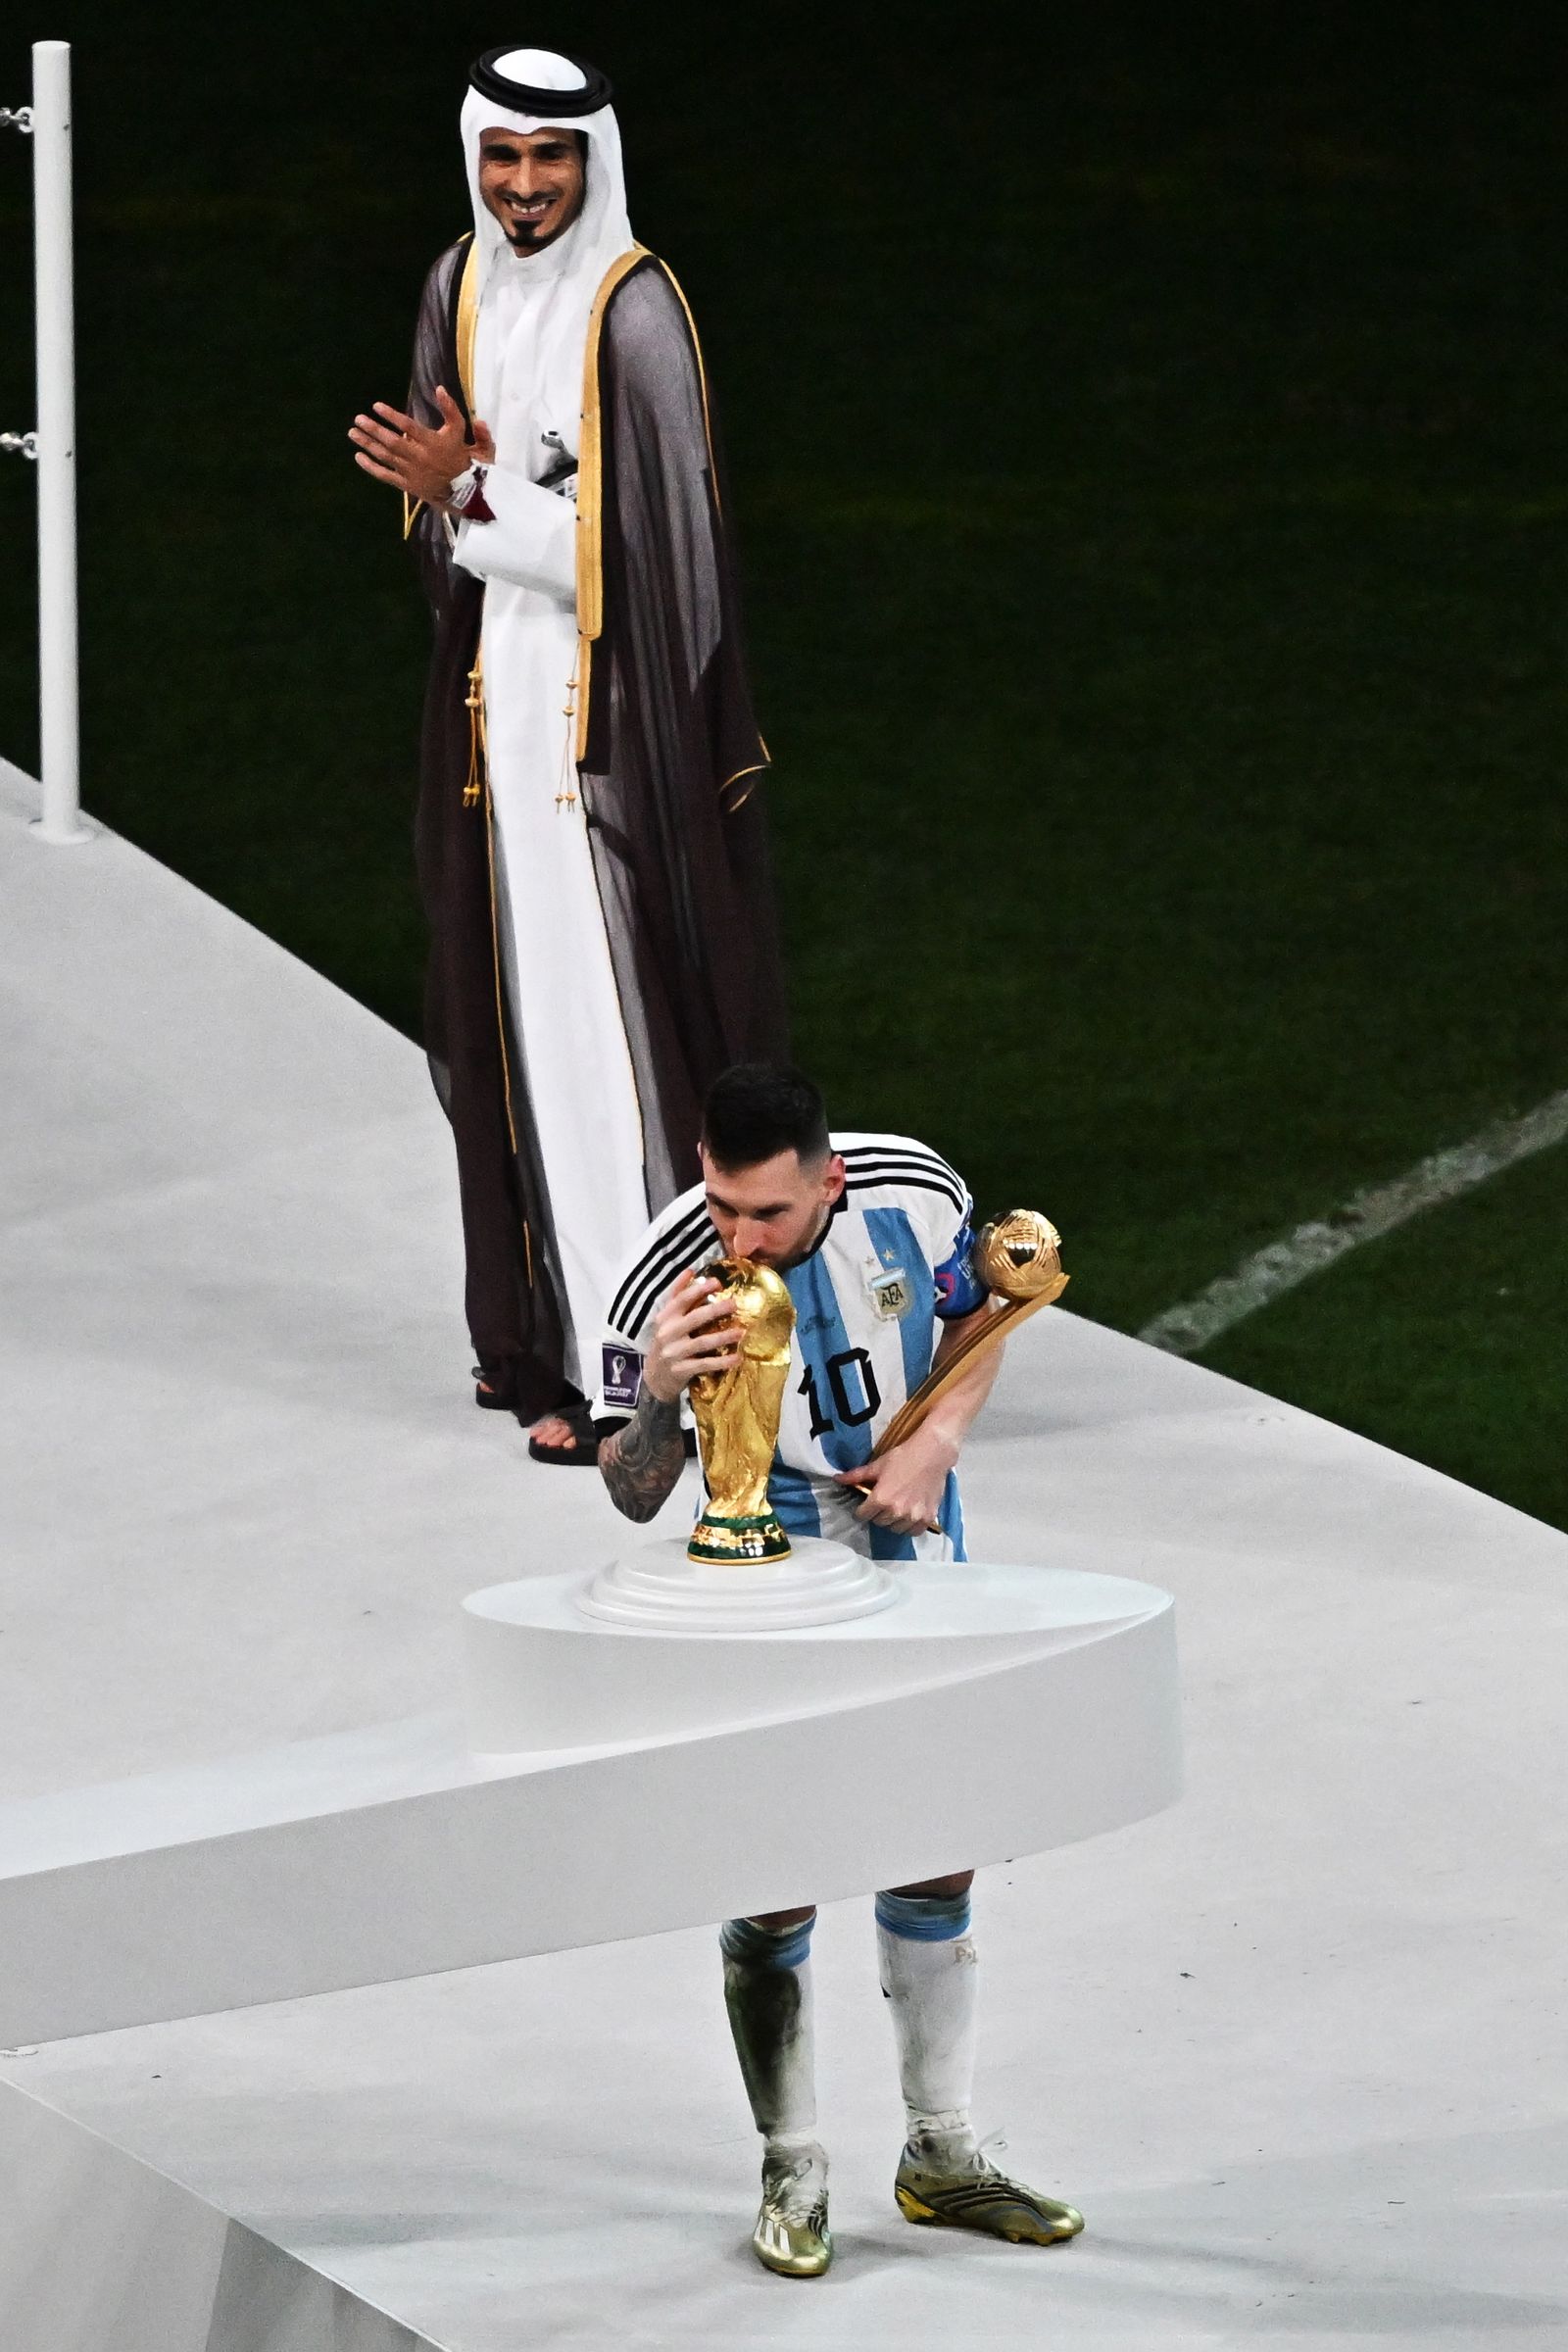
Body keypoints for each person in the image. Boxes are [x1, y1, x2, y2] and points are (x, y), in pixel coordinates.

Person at [349, 47, 784, 1462]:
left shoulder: (636, 310)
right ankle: (540, 1336)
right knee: (514, 1029)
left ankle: (645, 1366)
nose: (525, 185)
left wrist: (475, 494)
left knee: (616, 1045)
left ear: (592, 163)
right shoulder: (456, 286)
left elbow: (667, 561)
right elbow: (440, 517)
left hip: (614, 743)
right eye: (503, 156)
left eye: (551, 157)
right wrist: (456, 496)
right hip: (492, 720)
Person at [595, 1062, 1084, 2277]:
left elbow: (984, 1315)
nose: (739, 1236)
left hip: (919, 1553)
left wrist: (939, 1442)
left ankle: (940, 2154)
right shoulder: (664, 1278)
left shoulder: (915, 1193)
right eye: (721, 1203)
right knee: (774, 1874)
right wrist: (656, 1393)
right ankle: (792, 2162)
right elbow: (631, 1491)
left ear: (832, 1181)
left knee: (937, 1847)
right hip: (765, 1592)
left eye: (767, 1212)